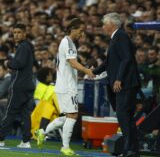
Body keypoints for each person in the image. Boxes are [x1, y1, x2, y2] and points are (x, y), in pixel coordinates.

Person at [36, 18, 94, 156]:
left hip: (64, 85)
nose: (82, 34)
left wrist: (77, 76)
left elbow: (69, 66)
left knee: (67, 116)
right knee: (73, 115)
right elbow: (72, 63)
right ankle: (65, 147)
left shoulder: (68, 42)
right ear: (73, 28)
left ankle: (42, 132)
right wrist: (87, 71)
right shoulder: (67, 42)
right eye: (81, 31)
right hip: (67, 87)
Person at [92, 13, 141, 157]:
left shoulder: (120, 36)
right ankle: (132, 149)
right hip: (123, 83)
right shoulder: (116, 37)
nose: (102, 27)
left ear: (111, 24)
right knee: (126, 116)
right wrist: (93, 72)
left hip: (125, 84)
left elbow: (126, 59)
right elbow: (109, 62)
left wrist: (119, 79)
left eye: (104, 24)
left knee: (123, 115)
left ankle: (129, 149)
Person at [0, 24, 35, 148]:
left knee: (10, 112)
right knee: (25, 114)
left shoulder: (23, 46)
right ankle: (26, 141)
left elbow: (19, 63)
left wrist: (8, 62)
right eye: (14, 32)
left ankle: (0, 139)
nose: (16, 35)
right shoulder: (29, 46)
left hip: (19, 85)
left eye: (19, 32)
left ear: (25, 33)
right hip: (28, 83)